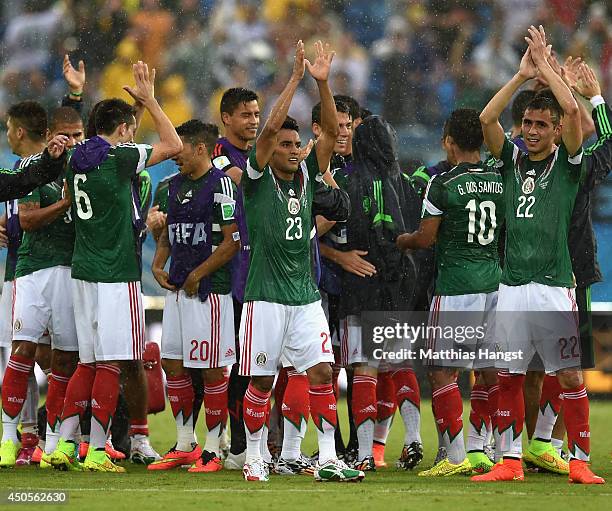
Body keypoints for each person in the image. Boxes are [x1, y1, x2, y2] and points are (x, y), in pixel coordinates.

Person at [473, 25, 604, 485]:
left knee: (568, 376)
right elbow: (487, 121)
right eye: (527, 124)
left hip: (552, 287)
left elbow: (571, 108)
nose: (531, 131)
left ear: (556, 131)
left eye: (540, 125)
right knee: (507, 375)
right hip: (512, 286)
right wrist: (520, 74)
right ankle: (509, 462)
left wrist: (547, 67)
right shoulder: (509, 161)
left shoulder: (568, 164)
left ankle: (580, 462)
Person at [238, 40, 363, 483]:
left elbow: (329, 133)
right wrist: (294, 80)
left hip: (305, 296)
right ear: (271, 151)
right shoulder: (254, 180)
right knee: (260, 381)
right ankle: (255, 456)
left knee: (323, 372)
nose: (293, 150)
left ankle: (327, 457)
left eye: (297, 144)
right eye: (286, 145)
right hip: (265, 298)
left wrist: (323, 83)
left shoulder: (309, 174)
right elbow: (268, 130)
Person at [49, 61, 182, 473]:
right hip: (115, 274)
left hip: (83, 273)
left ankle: (66, 446)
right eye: (129, 127)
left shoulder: (77, 158)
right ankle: (101, 452)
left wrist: (130, 112)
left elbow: (109, 141)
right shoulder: (121, 159)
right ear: (124, 130)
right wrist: (150, 101)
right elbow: (172, 144)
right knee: (113, 361)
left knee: (87, 363)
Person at [397, 108, 505, 477]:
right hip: (493, 283)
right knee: (490, 372)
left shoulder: (443, 182)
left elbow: (426, 239)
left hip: (456, 286)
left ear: (449, 142)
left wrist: (403, 240)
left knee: (442, 372)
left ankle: (455, 456)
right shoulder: (498, 178)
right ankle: (487, 449)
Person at [149, 120, 239, 473]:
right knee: (173, 364)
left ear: (200, 148)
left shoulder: (222, 187)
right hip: (177, 292)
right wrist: (159, 264)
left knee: (212, 371)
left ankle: (214, 449)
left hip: (210, 294)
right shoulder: (170, 186)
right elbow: (169, 233)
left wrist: (198, 274)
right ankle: (186, 442)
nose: (174, 156)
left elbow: (232, 241)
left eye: (180, 149)